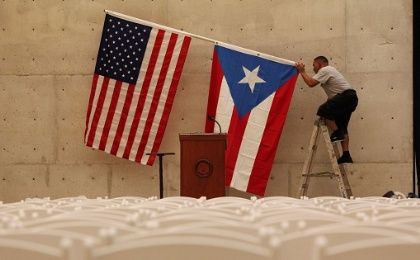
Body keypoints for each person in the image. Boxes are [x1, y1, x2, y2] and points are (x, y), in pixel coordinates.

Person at [296, 56, 358, 164]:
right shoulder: (331, 72)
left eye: (314, 65)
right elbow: (332, 97)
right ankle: (346, 155)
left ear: (320, 64)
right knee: (342, 125)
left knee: (323, 110)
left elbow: (311, 83)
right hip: (350, 98)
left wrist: (302, 71)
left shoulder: (325, 70)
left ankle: (337, 133)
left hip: (346, 97)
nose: (313, 68)